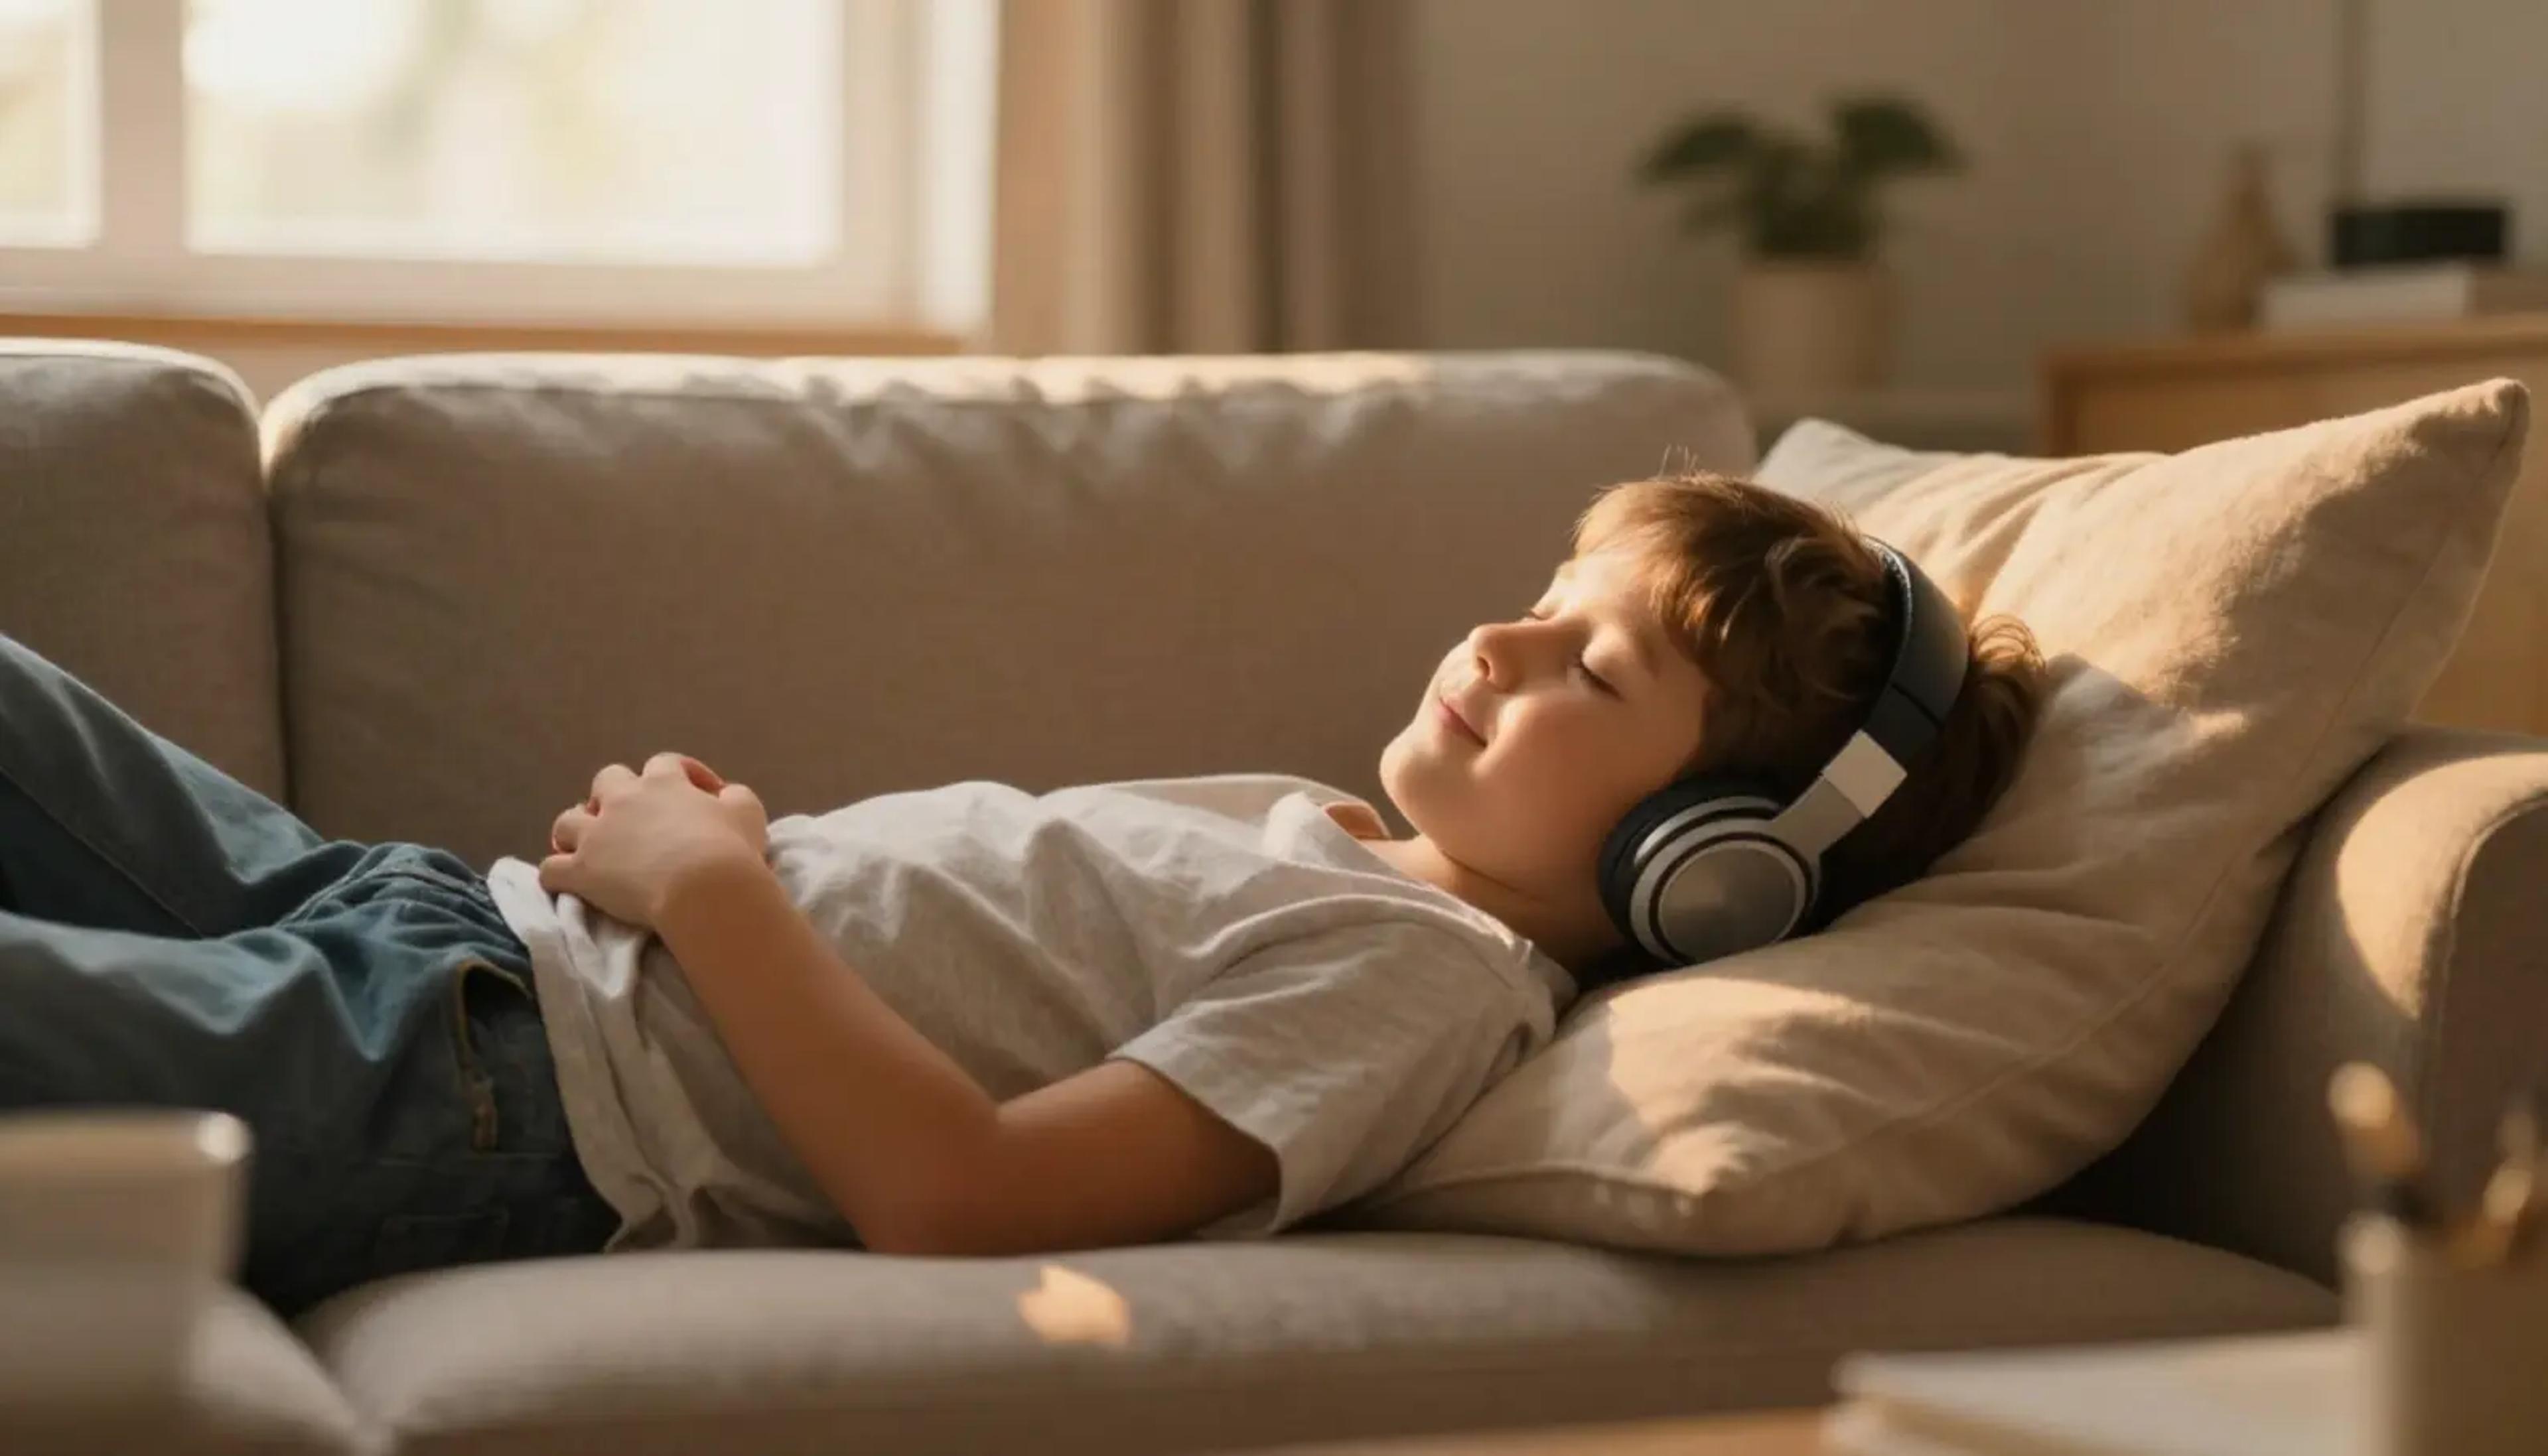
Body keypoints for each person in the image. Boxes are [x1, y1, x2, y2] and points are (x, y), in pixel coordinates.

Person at [0, 470, 2045, 1316]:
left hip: (481, 1092)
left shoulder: (1421, 991)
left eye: (1590, 673)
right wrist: (725, 857)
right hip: (442, 923)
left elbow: (957, 1195)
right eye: (1541, 605)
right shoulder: (1323, 836)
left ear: (1709, 876)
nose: (1500, 645)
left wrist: (717, 887)